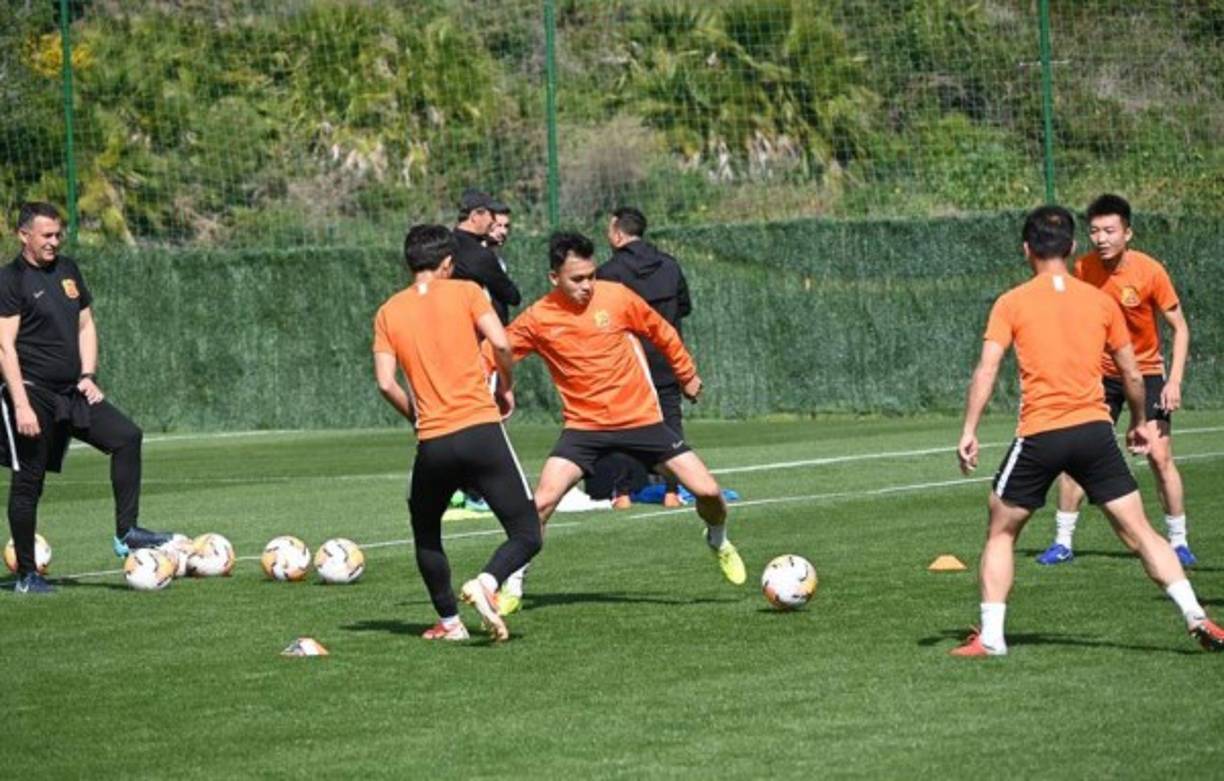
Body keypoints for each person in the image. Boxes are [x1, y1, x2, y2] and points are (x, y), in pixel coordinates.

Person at [952, 205, 1222, 656]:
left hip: (1040, 434)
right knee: (1140, 532)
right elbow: (1133, 375)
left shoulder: (1011, 302)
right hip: (1096, 434)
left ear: (1026, 250)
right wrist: (1137, 422)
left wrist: (969, 429)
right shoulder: (1100, 301)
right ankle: (1196, 613)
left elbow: (986, 370)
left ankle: (994, 637)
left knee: (1001, 531)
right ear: (1072, 247)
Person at [495, 232, 745, 616]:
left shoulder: (617, 296)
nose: (587, 286)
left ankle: (717, 540)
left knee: (709, 492)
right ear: (553, 278)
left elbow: (661, 331)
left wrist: (686, 373)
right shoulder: (539, 318)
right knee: (541, 503)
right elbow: (496, 351)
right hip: (585, 428)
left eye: (591, 276)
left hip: (641, 420)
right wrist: (480, 386)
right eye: (577, 279)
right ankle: (514, 581)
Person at [372, 224, 541, 642]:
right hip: (481, 431)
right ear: (447, 263)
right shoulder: (467, 291)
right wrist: (505, 385)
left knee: (426, 530)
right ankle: (487, 582)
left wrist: (417, 417)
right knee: (526, 533)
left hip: (433, 444)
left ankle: (449, 623)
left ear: (409, 263)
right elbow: (501, 345)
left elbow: (385, 383)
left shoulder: (389, 311)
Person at [0, 202, 175, 594]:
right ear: (23, 235)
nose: (54, 241)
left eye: (58, 234)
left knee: (126, 437)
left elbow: (85, 324)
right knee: (29, 481)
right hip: (32, 394)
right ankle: (27, 575)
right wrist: (21, 405)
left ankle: (126, 533)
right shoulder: (10, 280)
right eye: (46, 235)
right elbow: (5, 348)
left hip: (72, 392)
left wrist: (87, 375)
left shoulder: (68, 270)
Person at [1037, 194, 1195, 566]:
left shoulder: (1150, 271)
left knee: (1159, 455)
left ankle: (1178, 541)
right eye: (1094, 231)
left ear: (1128, 232)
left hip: (1146, 372)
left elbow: (1180, 328)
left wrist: (1174, 382)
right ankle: (1062, 541)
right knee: (1077, 452)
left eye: (1110, 230)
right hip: (1101, 376)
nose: (1101, 238)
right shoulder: (1082, 269)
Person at [596, 207, 692, 509]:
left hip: (627, 362)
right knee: (671, 423)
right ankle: (672, 492)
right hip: (666, 357)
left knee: (624, 425)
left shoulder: (609, 272)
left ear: (618, 233)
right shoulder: (670, 265)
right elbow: (684, 307)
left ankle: (622, 494)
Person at [451, 189, 520, 325]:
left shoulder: (447, 243)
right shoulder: (479, 254)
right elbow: (513, 296)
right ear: (475, 215)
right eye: (491, 216)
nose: (492, 222)